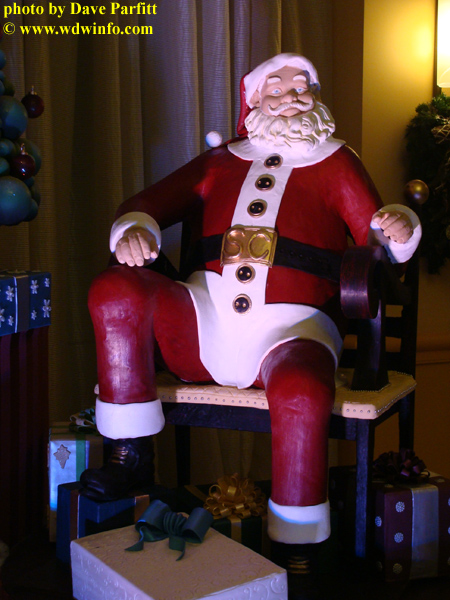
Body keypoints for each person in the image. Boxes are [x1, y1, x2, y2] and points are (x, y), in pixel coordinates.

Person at [81, 53, 420, 594]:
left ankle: (298, 541)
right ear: (254, 99)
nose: (292, 94)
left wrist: (399, 229)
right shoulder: (220, 161)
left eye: (303, 85)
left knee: (302, 389)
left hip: (293, 327)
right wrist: (135, 229)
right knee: (115, 289)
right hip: (203, 318)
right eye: (277, 87)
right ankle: (130, 452)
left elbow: (376, 239)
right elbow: (144, 204)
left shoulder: (337, 162)